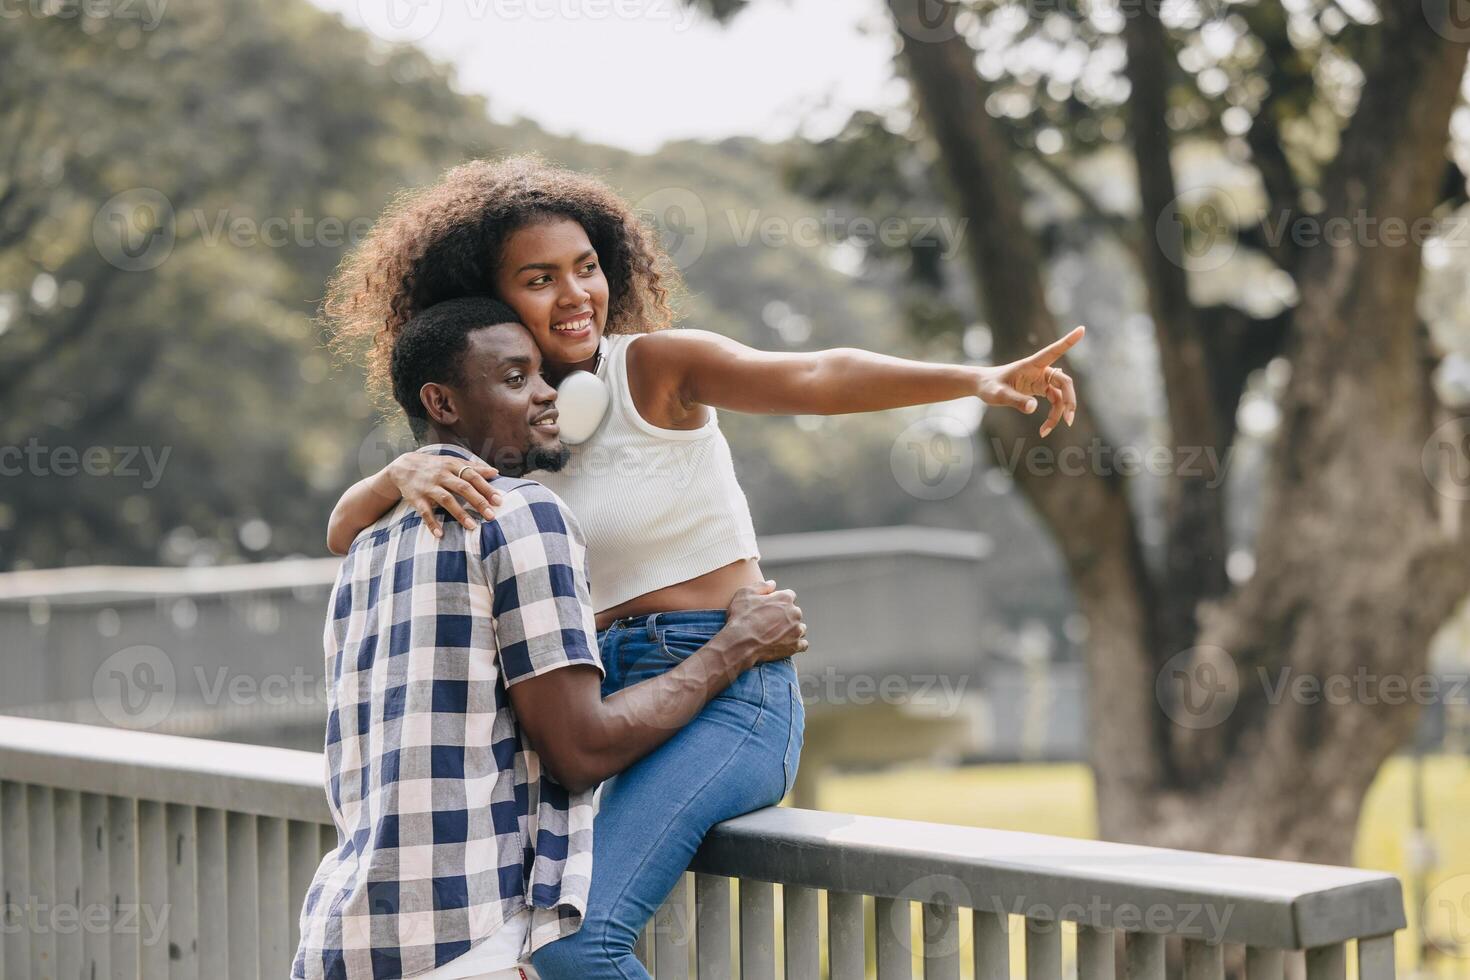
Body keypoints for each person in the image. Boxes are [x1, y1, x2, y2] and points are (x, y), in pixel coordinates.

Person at [323, 154, 1084, 978]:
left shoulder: (654, 368)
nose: (575, 294)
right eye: (539, 278)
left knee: (573, 946)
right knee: (513, 940)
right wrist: (398, 472)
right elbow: (344, 533)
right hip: (599, 707)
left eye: (587, 268)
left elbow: (812, 373)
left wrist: (975, 378)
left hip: (730, 687)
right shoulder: (506, 425)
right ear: (486, 295)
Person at [294, 297, 805, 980]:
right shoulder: (523, 514)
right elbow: (582, 750)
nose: (546, 396)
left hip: (348, 940)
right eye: (514, 379)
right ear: (442, 402)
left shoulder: (367, 544)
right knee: (582, 948)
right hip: (464, 947)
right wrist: (737, 644)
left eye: (542, 375)